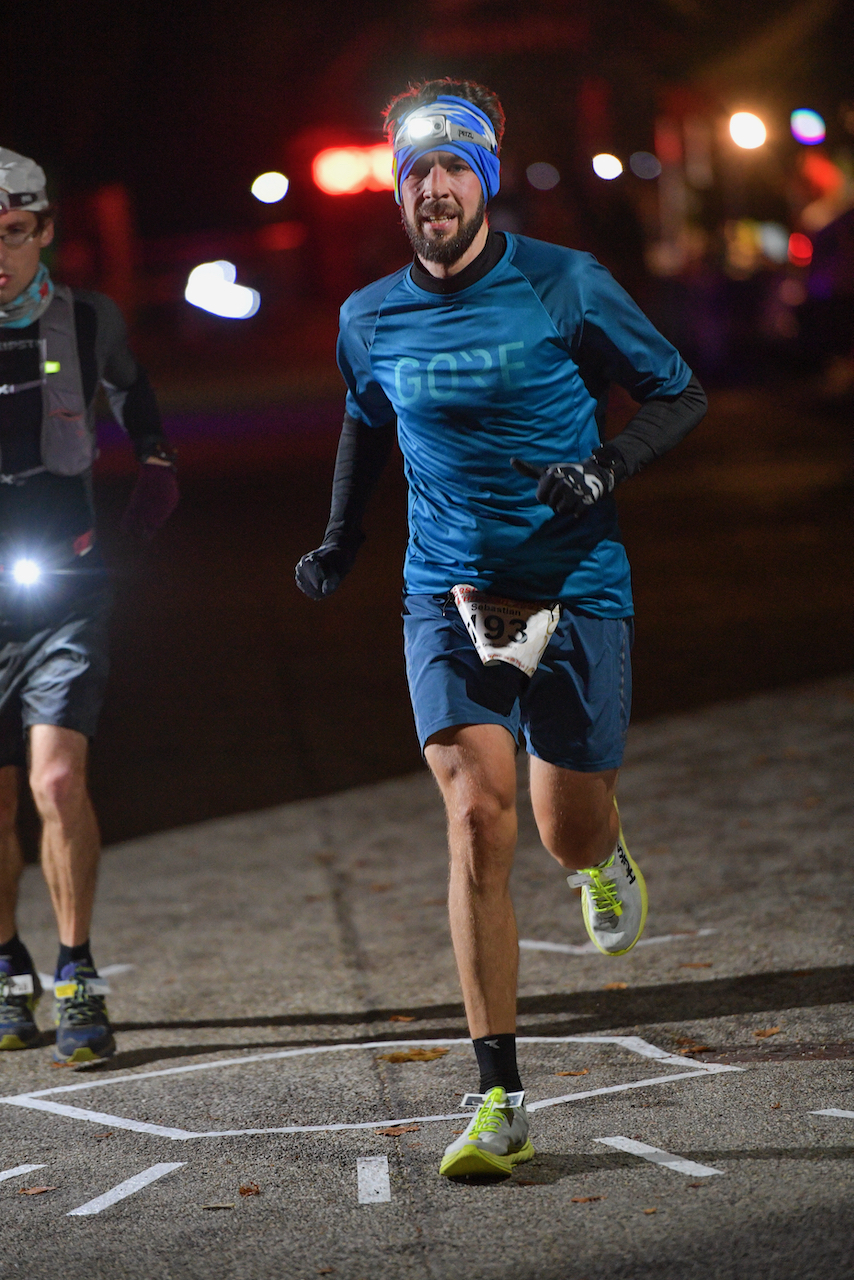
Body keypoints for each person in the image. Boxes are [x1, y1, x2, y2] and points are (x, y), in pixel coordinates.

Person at [296, 80, 707, 1177]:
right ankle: (498, 1097)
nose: (432, 189)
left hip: (571, 581)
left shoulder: (564, 284)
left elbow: (675, 391)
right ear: (398, 187)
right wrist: (341, 539)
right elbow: (362, 421)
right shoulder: (368, 315)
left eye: (452, 170)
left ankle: (599, 849)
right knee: (475, 815)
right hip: (447, 591)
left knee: (562, 829)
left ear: (480, 179)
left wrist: (603, 467)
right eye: (415, 172)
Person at [0, 149, 178, 1063]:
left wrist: (155, 458)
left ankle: (76, 971)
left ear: (44, 230)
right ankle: (5, 966)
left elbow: (134, 386)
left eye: (14, 233)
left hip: (63, 584)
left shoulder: (83, 318)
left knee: (57, 781)